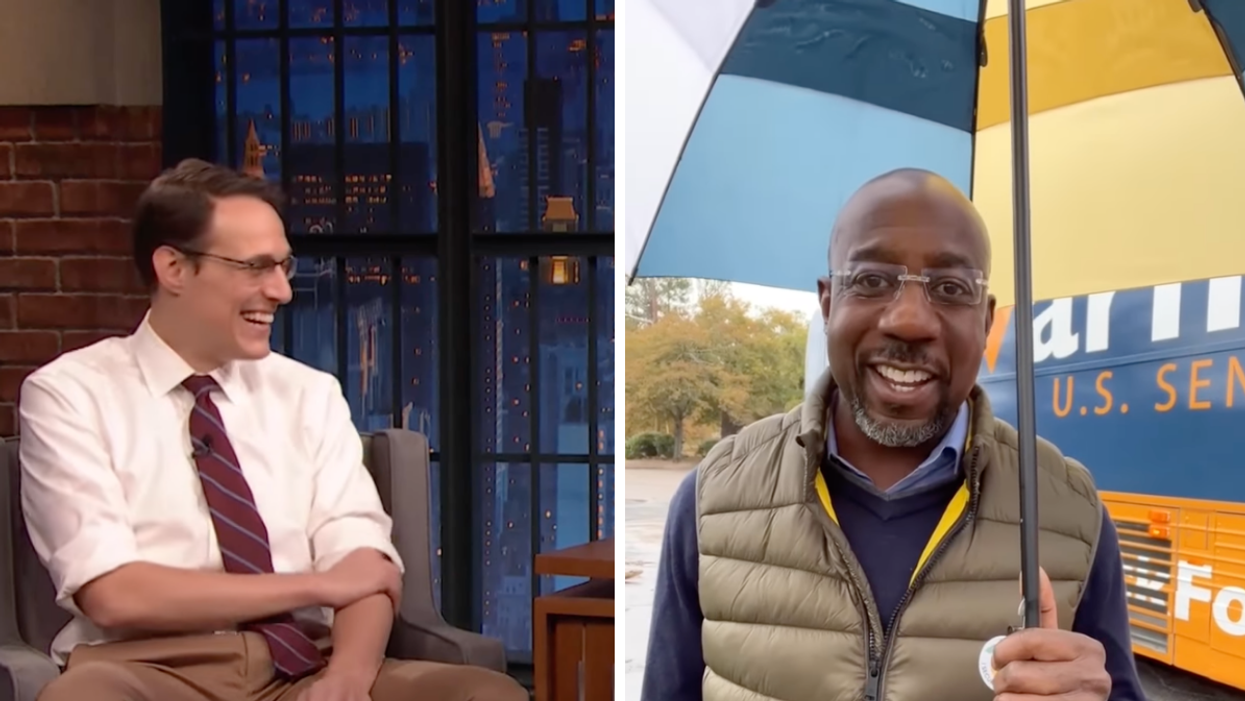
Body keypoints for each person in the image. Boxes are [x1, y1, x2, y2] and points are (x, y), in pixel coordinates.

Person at [17, 159, 527, 701]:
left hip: (303, 663)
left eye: (283, 265)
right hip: (145, 670)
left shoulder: (308, 393)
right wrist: (316, 586)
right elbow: (115, 594)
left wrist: (346, 679)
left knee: (484, 695)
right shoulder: (70, 393)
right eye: (256, 267)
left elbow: (366, 565)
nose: (282, 290)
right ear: (173, 268)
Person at [639, 168, 1145, 701]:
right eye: (873, 280)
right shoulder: (713, 500)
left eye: (951, 289)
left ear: (987, 320)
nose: (909, 320)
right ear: (828, 302)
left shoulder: (1068, 514)